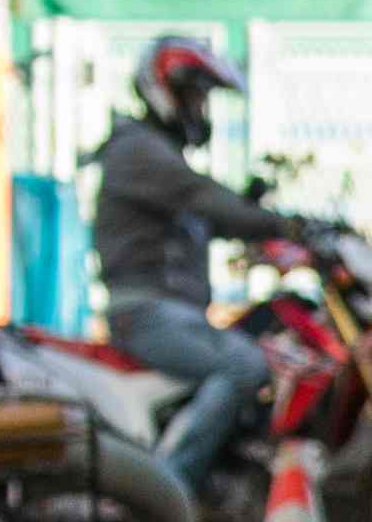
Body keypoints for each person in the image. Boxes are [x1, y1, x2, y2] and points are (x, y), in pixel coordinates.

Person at [88, 38, 323, 496]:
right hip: (148, 312)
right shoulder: (138, 149)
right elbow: (201, 198)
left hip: (171, 312)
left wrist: (254, 219)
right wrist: (285, 224)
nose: (202, 109)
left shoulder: (160, 156)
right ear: (164, 90)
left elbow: (205, 219)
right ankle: (167, 491)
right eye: (196, 96)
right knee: (243, 364)